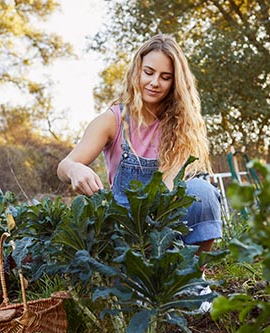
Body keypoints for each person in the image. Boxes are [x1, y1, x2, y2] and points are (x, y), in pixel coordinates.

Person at [57, 34, 222, 252]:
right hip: (126, 226)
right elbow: (64, 166)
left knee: (203, 191)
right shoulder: (112, 120)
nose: (154, 83)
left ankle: (193, 278)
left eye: (165, 77)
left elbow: (175, 187)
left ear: (175, 83)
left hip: (166, 222)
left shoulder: (181, 126)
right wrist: (75, 169)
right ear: (137, 71)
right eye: (148, 72)